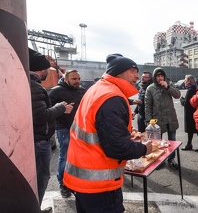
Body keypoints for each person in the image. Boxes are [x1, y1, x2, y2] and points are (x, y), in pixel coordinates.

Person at [63, 54, 154, 213]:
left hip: (83, 177)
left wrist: (125, 133)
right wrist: (145, 149)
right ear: (119, 73)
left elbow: (98, 128)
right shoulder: (112, 96)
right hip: (99, 183)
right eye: (133, 71)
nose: (137, 75)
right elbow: (117, 147)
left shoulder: (99, 89)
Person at [29, 48, 73, 213]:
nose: (49, 71)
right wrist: (60, 107)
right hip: (39, 141)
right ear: (41, 69)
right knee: (41, 177)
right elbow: (41, 115)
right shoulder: (35, 86)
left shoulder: (33, 85)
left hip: (38, 139)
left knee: (40, 177)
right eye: (48, 68)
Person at [48, 70, 86, 198]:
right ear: (66, 79)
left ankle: (75, 181)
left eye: (78, 78)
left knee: (80, 156)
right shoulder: (55, 92)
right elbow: (47, 111)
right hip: (64, 128)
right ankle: (63, 184)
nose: (77, 81)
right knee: (65, 156)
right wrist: (61, 110)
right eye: (74, 79)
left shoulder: (81, 90)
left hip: (81, 128)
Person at [145, 67, 181, 170]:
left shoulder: (169, 85)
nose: (160, 78)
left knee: (172, 140)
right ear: (154, 77)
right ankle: (159, 160)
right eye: (158, 76)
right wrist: (148, 120)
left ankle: (171, 159)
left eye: (161, 76)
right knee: (157, 141)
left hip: (170, 117)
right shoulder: (150, 88)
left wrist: (168, 87)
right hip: (157, 119)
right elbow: (148, 105)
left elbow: (178, 95)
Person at [179, 75, 198, 151]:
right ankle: (191, 144)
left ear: (189, 81)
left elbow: (186, 103)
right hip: (194, 111)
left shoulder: (190, 90)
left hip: (190, 113)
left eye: (185, 80)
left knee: (193, 129)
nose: (184, 82)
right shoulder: (195, 89)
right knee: (195, 129)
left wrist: (181, 100)